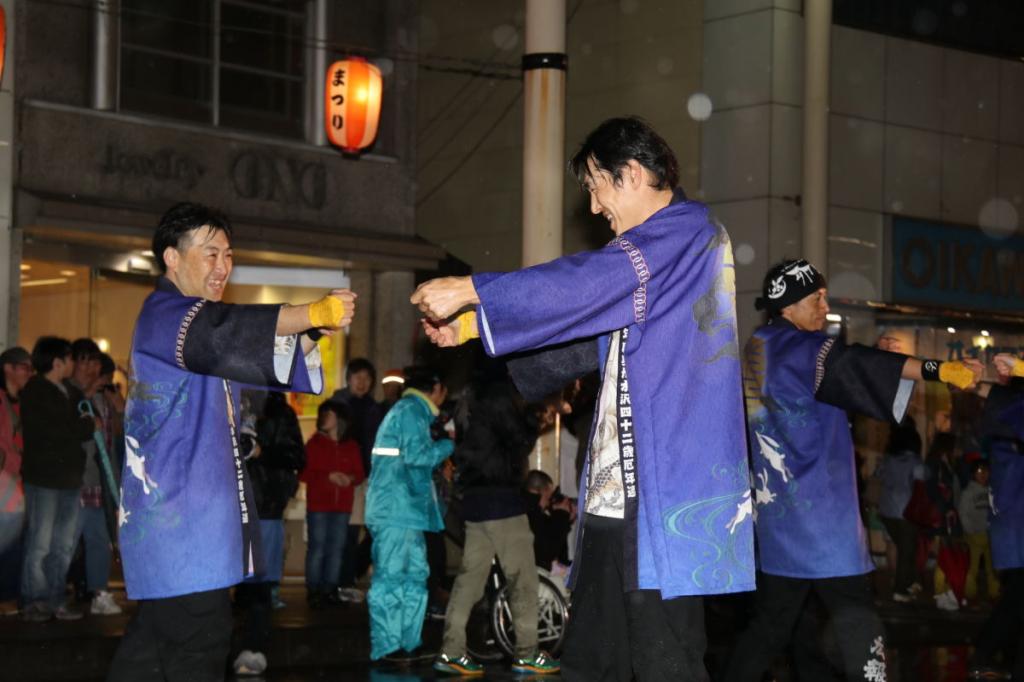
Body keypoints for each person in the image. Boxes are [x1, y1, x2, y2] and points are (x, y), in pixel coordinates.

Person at [413, 117, 752, 681]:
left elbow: (588, 282)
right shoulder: (659, 258)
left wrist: (476, 288)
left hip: (665, 499)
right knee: (594, 658)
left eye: (596, 186)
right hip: (616, 498)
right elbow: (591, 338)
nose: (594, 207)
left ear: (633, 174)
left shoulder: (689, 233)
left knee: (666, 662)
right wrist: (476, 326)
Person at [106, 202, 355, 682]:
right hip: (183, 529)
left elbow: (254, 356)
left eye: (228, 254)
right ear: (171, 259)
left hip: (184, 529)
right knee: (197, 645)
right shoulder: (168, 314)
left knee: (150, 654)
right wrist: (307, 312)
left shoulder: (192, 325)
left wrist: (312, 329)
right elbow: (224, 335)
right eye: (210, 253)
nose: (222, 266)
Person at [722, 258, 982, 682]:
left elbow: (844, 371)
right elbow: (854, 366)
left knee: (777, 629)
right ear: (787, 305)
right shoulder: (804, 349)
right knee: (856, 620)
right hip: (824, 525)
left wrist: (877, 360)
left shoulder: (759, 347)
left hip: (779, 524)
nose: (825, 306)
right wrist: (940, 369)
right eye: (816, 298)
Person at [433, 377, 559, 676]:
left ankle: (451, 651)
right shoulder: (500, 397)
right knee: (523, 578)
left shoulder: (468, 401)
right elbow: (518, 442)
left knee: (469, 581)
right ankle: (527, 652)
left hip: (475, 504)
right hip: (501, 501)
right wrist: (535, 419)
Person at [365, 366, 454, 662]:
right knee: (393, 577)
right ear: (436, 387)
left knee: (414, 576)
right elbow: (418, 457)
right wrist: (447, 443)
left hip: (406, 511)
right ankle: (389, 647)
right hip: (395, 510)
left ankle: (408, 643)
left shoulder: (411, 411)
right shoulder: (411, 411)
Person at [19, 337, 97, 622]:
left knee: (63, 545)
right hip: (44, 479)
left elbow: (85, 422)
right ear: (57, 362)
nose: (73, 364)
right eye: (69, 358)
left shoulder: (69, 392)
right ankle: (34, 600)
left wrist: (84, 423)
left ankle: (55, 598)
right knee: (40, 543)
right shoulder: (36, 390)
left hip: (68, 479)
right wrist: (84, 425)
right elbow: (66, 428)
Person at [232, 390, 306, 676]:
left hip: (265, 506)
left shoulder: (279, 412)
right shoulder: (225, 401)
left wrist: (261, 451)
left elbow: (297, 456)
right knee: (234, 584)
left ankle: (253, 648)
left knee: (259, 584)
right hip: (227, 506)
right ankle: (238, 647)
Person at [72, 350, 124, 616]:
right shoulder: (73, 397)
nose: (95, 375)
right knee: (66, 543)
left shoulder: (103, 401)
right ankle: (48, 595)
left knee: (98, 539)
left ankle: (99, 592)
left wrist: (118, 409)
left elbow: (113, 440)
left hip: (98, 481)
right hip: (75, 481)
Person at [330, 357, 385, 603]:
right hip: (342, 477)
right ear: (348, 379)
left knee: (368, 529)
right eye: (357, 377)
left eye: (367, 378)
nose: (362, 383)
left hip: (367, 477)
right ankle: (341, 581)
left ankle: (348, 576)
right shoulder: (338, 404)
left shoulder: (374, 407)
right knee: (345, 531)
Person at [300, 400, 364, 608]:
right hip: (319, 504)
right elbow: (304, 472)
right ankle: (314, 589)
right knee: (317, 547)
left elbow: (360, 473)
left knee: (336, 548)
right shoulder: (314, 444)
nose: (324, 417)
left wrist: (350, 478)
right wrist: (328, 476)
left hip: (342, 505)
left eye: (328, 413)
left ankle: (329, 588)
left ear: (340, 419)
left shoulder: (351, 445)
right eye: (323, 413)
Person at [874, 417, 924, 602]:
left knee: (901, 548)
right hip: (907, 511)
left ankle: (906, 584)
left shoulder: (888, 459)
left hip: (886, 509)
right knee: (907, 550)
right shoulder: (914, 460)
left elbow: (878, 475)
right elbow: (923, 478)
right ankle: (900, 589)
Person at [0, 347, 33, 604]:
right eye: (25, 367)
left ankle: (10, 598)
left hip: (15, 483)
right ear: (8, 368)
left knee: (14, 543)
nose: (29, 373)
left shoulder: (20, 403)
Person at [959, 459, 998, 603]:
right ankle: (970, 594)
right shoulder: (968, 492)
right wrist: (970, 530)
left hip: (990, 535)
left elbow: (995, 511)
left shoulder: (991, 490)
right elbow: (963, 513)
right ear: (973, 474)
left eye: (986, 471)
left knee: (992, 567)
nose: (983, 475)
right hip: (974, 535)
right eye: (980, 471)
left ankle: (994, 593)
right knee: (972, 567)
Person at [524, 469, 575, 572]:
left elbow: (560, 556)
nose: (548, 503)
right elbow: (548, 552)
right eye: (548, 497)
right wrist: (561, 515)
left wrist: (566, 519)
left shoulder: (526, 508)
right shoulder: (531, 513)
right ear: (543, 491)